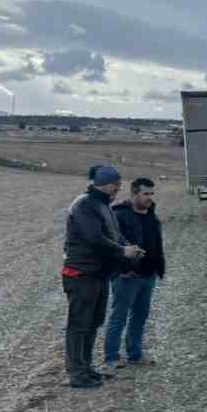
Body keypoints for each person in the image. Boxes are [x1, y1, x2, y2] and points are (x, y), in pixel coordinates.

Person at [62, 164, 143, 388]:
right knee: (79, 323)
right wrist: (122, 251)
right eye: (115, 186)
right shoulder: (84, 205)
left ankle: (86, 369)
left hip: (98, 273)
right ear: (106, 185)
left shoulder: (102, 205)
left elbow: (114, 235)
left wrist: (129, 247)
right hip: (81, 273)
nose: (117, 191)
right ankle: (77, 373)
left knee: (93, 321)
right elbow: (93, 238)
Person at [105, 177, 165, 371]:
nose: (150, 198)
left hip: (148, 275)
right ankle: (112, 357)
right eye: (145, 194)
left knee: (140, 316)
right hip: (127, 276)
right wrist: (120, 270)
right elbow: (110, 246)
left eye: (151, 193)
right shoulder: (118, 215)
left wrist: (157, 268)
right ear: (134, 194)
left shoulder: (151, 214)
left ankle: (135, 355)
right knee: (119, 316)